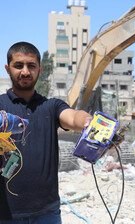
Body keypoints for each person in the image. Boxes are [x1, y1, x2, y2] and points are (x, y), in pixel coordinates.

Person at [0, 41, 92, 223]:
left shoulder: (51, 106)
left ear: (40, 70)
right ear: (8, 69)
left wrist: (89, 122)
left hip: (46, 213)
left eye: (31, 66)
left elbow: (74, 118)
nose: (25, 72)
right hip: (5, 214)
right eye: (18, 66)